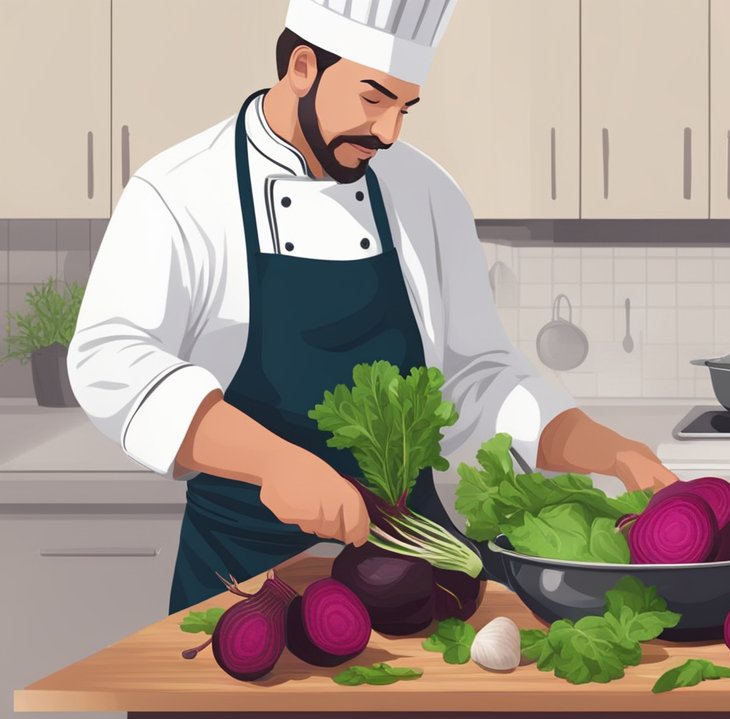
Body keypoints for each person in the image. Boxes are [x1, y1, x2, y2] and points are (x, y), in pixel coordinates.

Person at [68, 0, 677, 614]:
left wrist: (612, 451)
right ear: (302, 66)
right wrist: (273, 462)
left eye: (405, 108)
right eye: (373, 99)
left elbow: (476, 376)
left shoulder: (427, 193)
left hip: (413, 562)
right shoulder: (178, 192)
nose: (389, 132)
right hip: (245, 576)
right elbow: (110, 359)